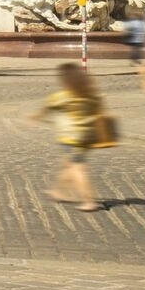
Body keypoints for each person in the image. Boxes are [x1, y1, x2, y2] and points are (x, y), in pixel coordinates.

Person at [30, 60, 112, 212]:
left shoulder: (62, 96)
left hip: (70, 139)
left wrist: (35, 118)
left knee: (77, 168)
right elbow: (101, 111)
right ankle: (58, 191)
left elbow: (46, 108)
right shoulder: (92, 95)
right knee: (67, 164)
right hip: (88, 136)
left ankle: (89, 201)